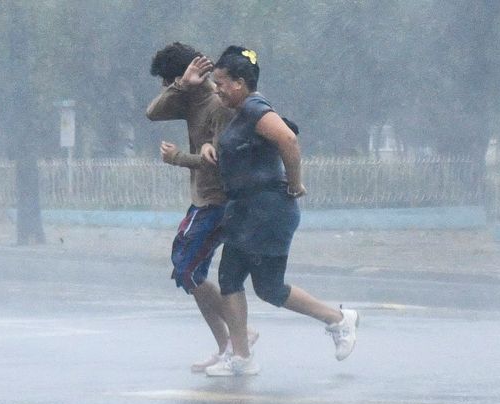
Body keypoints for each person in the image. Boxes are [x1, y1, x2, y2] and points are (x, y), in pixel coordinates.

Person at [200, 46, 359, 376]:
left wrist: (295, 184)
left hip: (268, 212)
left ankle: (339, 320)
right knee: (232, 278)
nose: (217, 89)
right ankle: (242, 358)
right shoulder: (240, 113)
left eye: (221, 83)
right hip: (248, 212)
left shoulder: (256, 109)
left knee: (268, 287)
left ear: (241, 83)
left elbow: (288, 139)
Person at [146, 42, 258, 372]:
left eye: (168, 81)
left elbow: (220, 162)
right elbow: (152, 113)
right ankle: (227, 344)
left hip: (217, 201)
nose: (166, 88)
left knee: (188, 270)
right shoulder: (190, 99)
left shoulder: (217, 105)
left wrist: (178, 158)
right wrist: (182, 85)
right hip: (202, 200)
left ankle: (239, 334)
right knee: (188, 273)